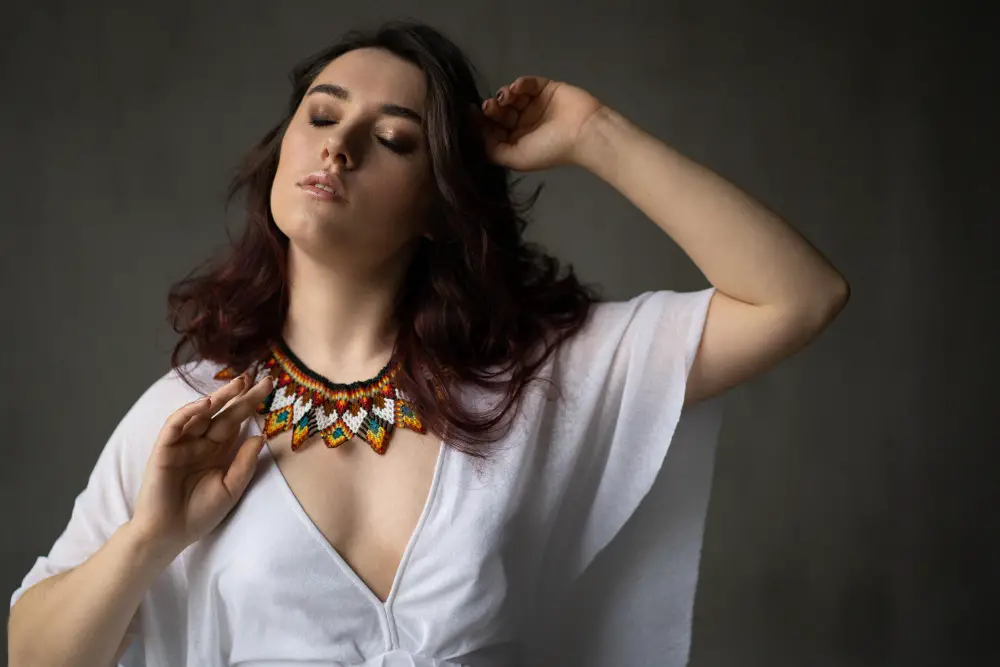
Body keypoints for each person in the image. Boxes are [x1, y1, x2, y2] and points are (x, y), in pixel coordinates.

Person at [7, 19, 849, 667]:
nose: (339, 145)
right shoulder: (193, 417)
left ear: (439, 206)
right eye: (323, 116)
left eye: (395, 138)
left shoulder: (533, 381)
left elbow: (800, 297)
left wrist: (594, 132)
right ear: (280, 157)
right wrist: (149, 537)